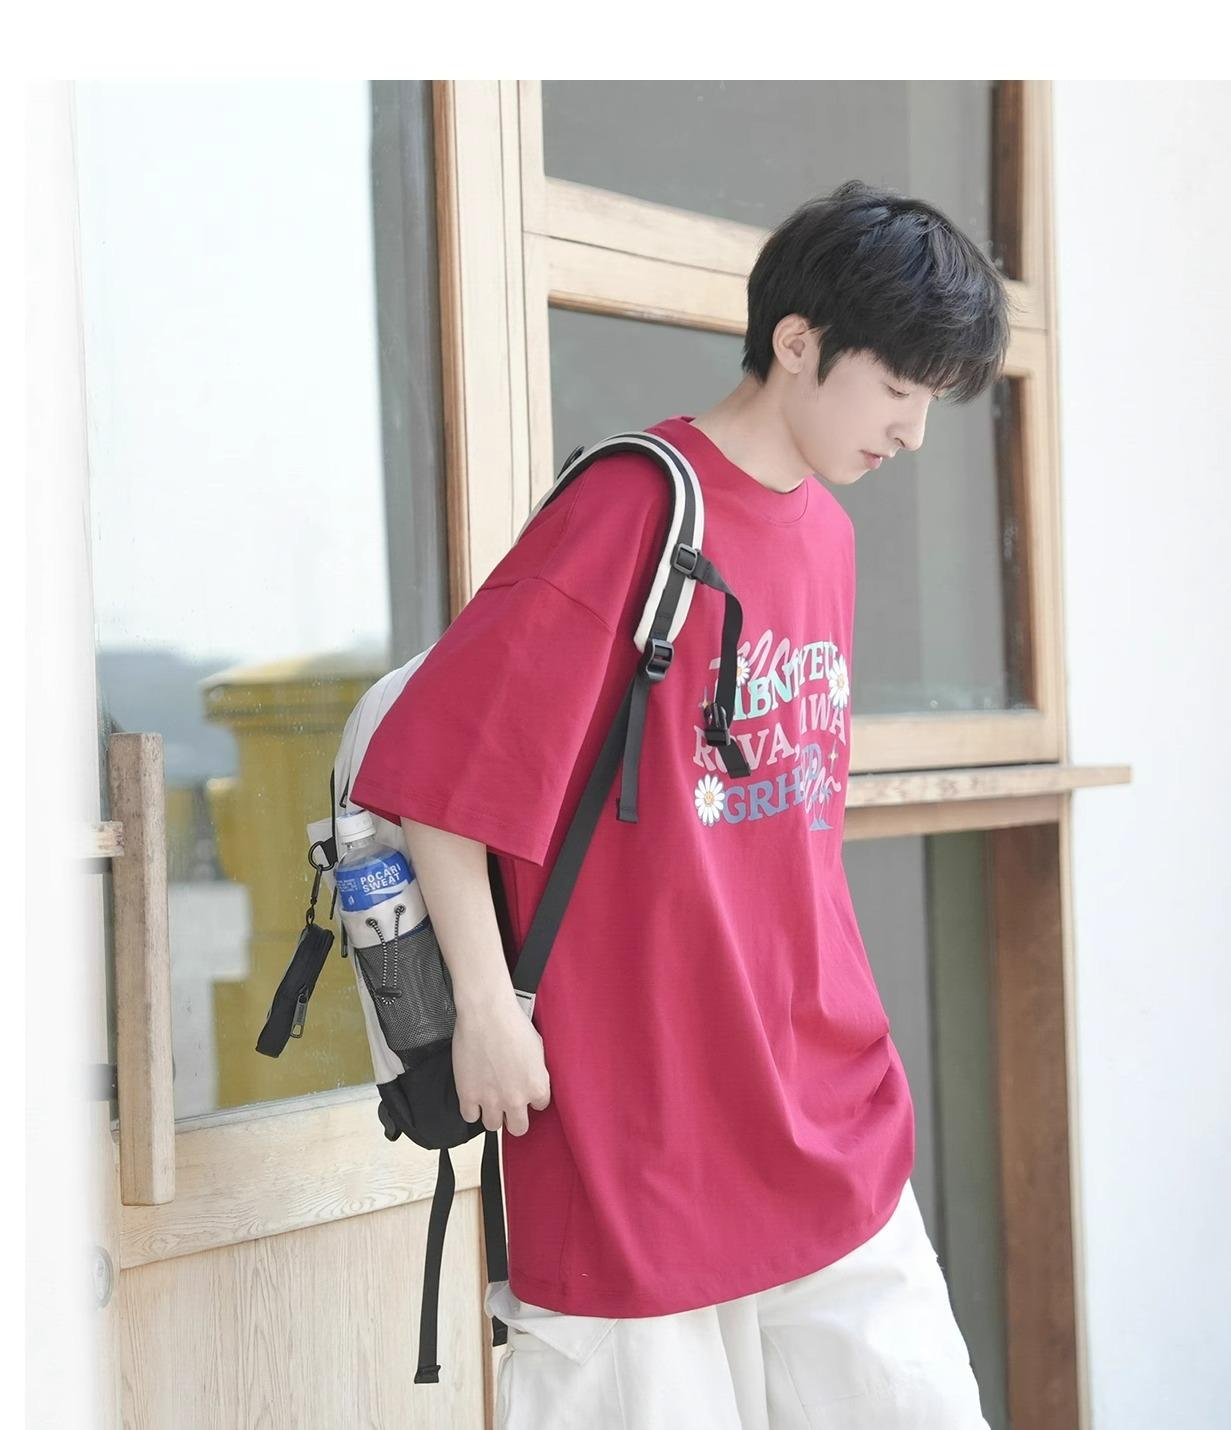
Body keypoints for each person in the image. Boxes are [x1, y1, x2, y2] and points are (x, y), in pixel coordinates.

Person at [351, 177, 1009, 1429]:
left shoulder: (826, 536)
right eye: (897, 388)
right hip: (634, 1115)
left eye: (932, 399)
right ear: (797, 342)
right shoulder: (632, 508)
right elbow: (440, 774)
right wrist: (486, 1012)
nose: (913, 432)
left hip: (817, 1098)